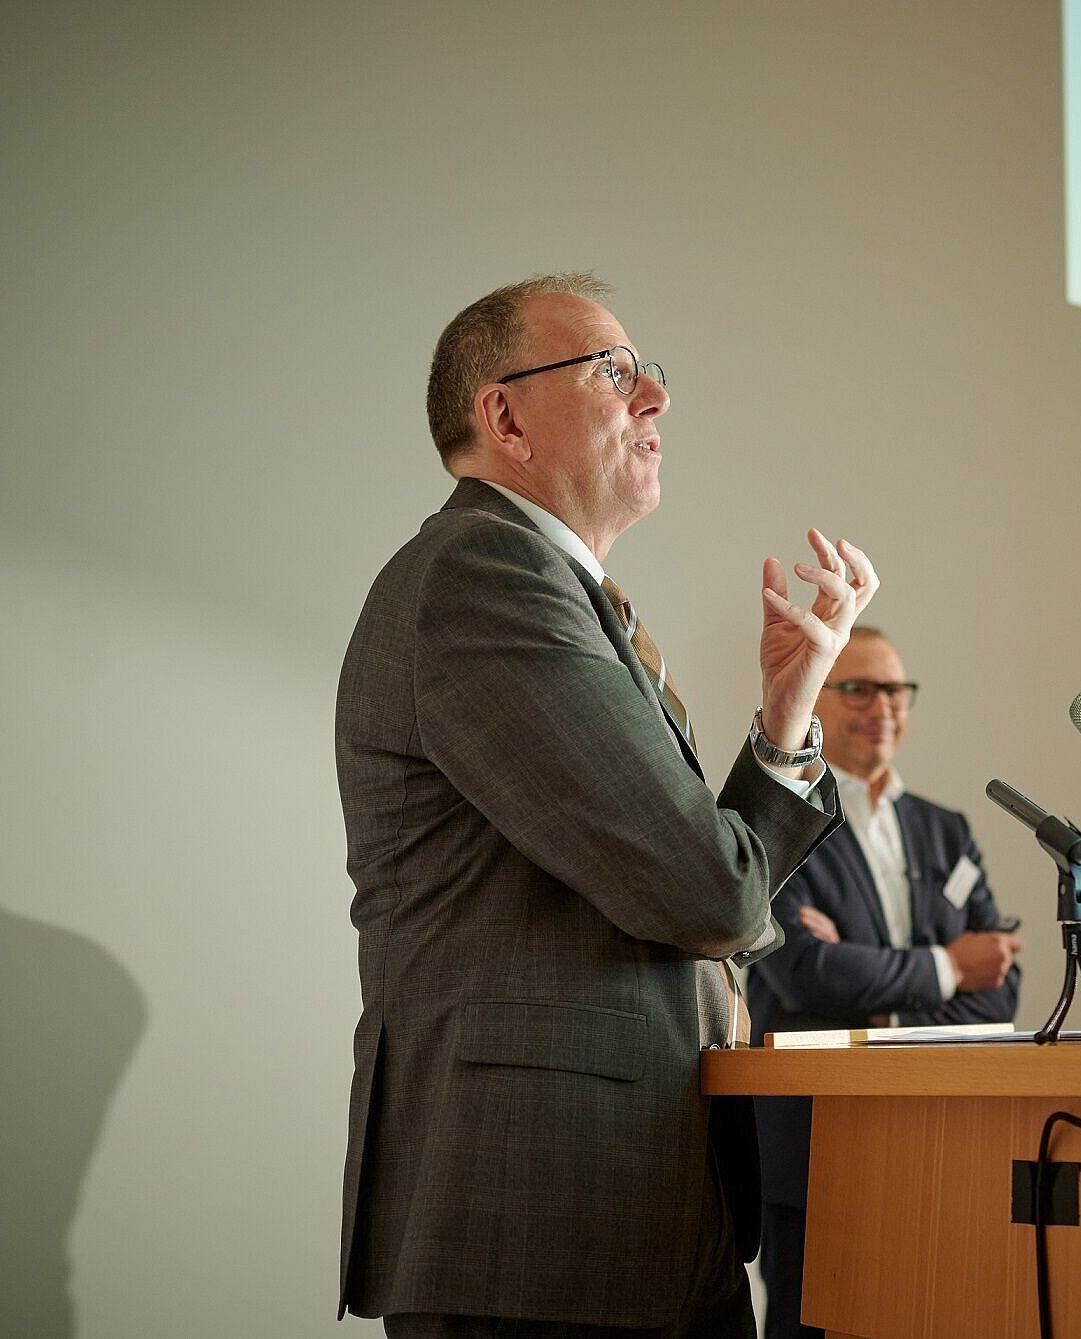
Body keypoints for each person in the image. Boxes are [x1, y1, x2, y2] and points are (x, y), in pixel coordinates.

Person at [334, 271, 879, 1338]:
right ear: (504, 415)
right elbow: (705, 893)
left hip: (623, 1214)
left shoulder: (550, 591)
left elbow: (683, 883)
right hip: (540, 1223)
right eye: (613, 371)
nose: (656, 400)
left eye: (650, 374)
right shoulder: (484, 573)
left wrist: (782, 716)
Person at [745, 626, 1022, 1339]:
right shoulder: (778, 824)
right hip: (816, 1143)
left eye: (895, 689)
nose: (883, 706)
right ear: (816, 700)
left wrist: (869, 972)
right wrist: (946, 964)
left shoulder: (946, 830)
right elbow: (804, 973)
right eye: (858, 688)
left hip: (937, 1135)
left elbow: (1000, 988)